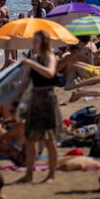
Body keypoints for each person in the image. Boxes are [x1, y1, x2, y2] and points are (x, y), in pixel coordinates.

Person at [15, 31, 62, 183]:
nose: (34, 44)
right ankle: (29, 174)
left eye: (37, 41)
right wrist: (16, 94)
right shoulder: (33, 59)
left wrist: (32, 64)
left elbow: (50, 73)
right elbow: (24, 81)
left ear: (44, 43)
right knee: (30, 139)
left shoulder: (50, 57)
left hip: (47, 99)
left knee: (49, 139)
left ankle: (52, 175)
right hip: (34, 99)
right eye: (33, 41)